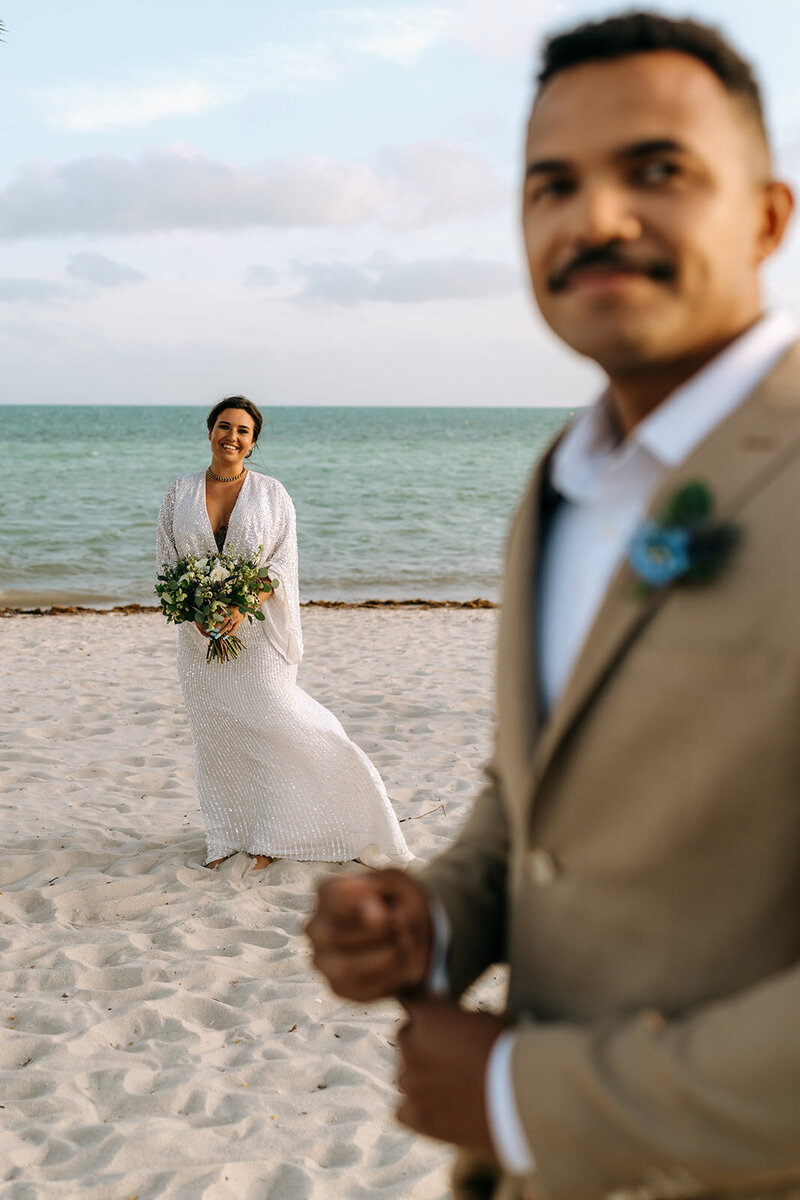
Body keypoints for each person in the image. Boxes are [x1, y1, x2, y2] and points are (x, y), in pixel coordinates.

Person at [305, 12, 800, 1199]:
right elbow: (542, 789)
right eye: (550, 186)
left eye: (655, 172)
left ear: (767, 217)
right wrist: (436, 915)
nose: (594, 219)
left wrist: (529, 1100)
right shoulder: (560, 486)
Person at [156, 396, 411, 871]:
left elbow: (282, 563)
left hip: (257, 634)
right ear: (209, 431)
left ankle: (286, 830)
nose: (232, 437)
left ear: (252, 443)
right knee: (218, 736)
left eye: (243, 431)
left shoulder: (273, 494)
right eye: (224, 427)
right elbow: (168, 563)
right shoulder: (179, 493)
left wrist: (243, 604)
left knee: (277, 721)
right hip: (199, 639)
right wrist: (195, 612)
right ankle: (227, 836)